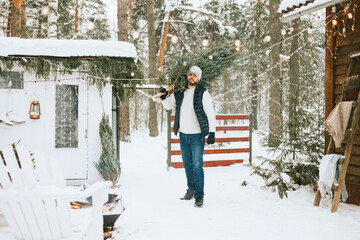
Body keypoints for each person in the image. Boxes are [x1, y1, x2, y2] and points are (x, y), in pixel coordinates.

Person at [159, 66, 216, 208]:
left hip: (197, 135)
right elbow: (168, 106)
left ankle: (199, 195)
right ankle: (191, 189)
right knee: (187, 165)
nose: (192, 77)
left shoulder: (203, 93)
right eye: (190, 75)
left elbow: (210, 113)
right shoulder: (180, 92)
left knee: (197, 166)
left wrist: (212, 132)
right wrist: (163, 97)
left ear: (199, 78)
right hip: (183, 134)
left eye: (195, 76)